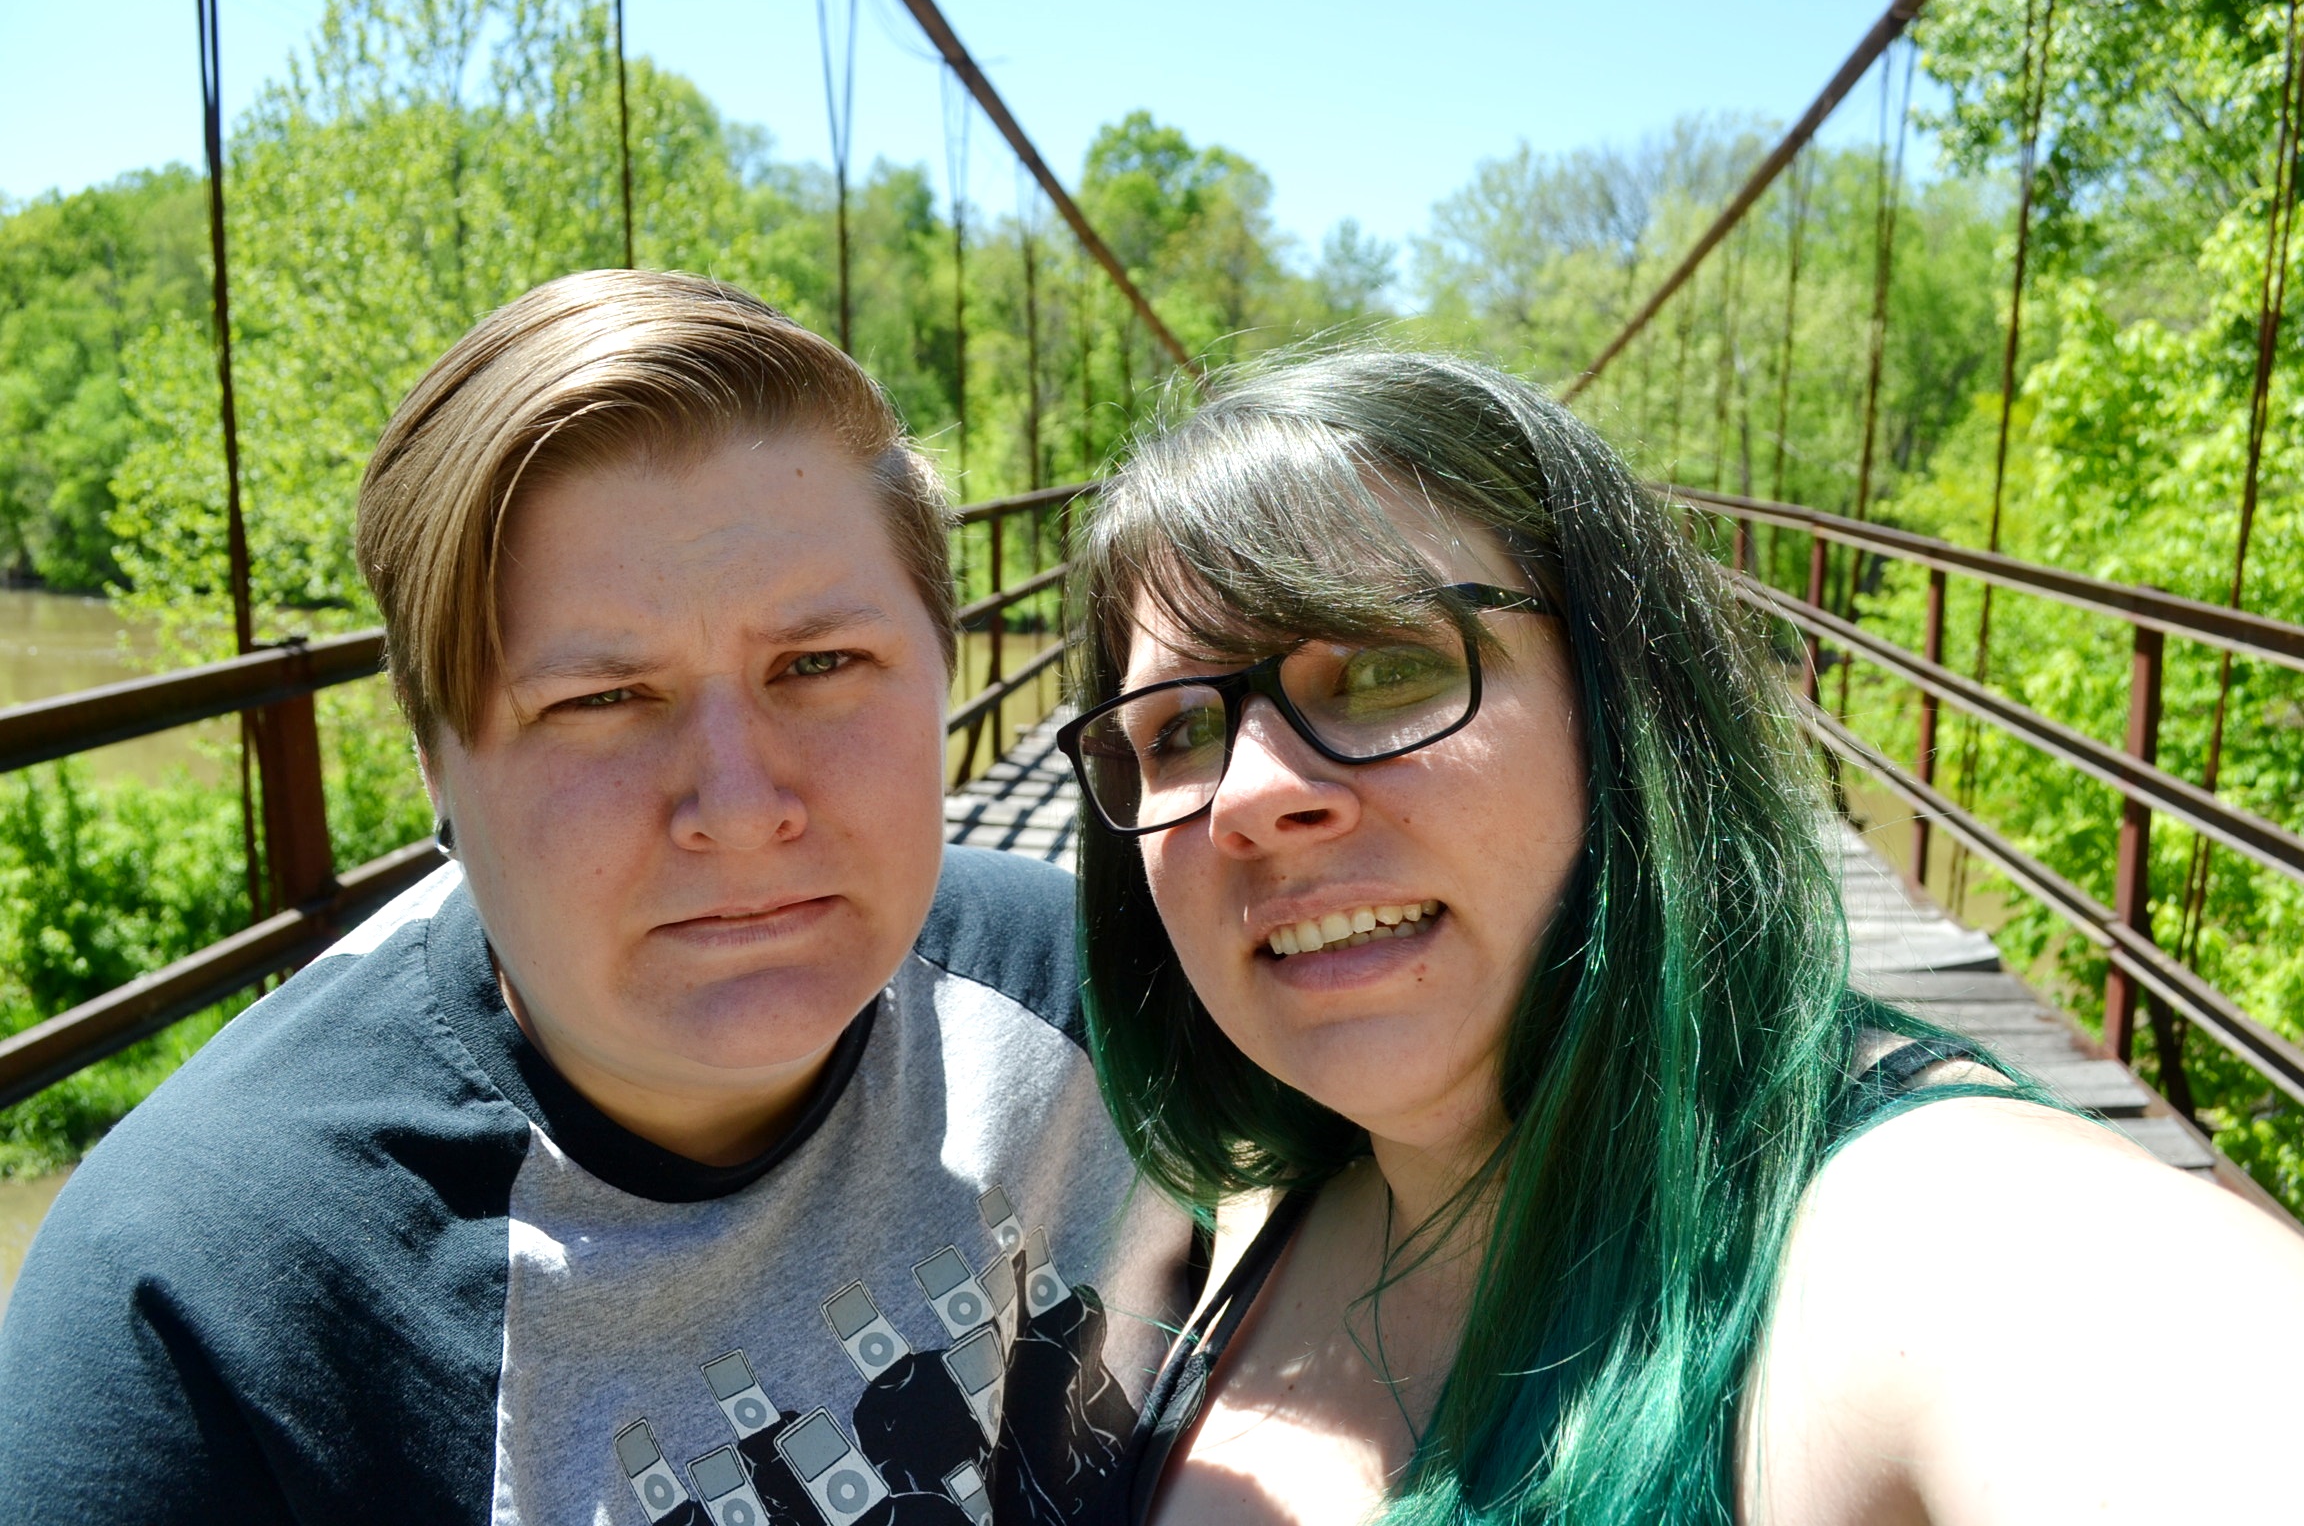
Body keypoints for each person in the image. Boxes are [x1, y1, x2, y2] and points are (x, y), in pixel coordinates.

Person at [0, 271, 1195, 1524]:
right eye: (600, 700)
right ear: (433, 765)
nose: (739, 806)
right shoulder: (196, 1318)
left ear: (944, 675)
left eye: (822, 662)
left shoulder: (1102, 995)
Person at [1057, 349, 2304, 1525]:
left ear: (1624, 706)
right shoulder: (1228, 1206)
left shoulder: (1927, 1238)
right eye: (1176, 731)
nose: (1251, 795)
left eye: (1385, 668)